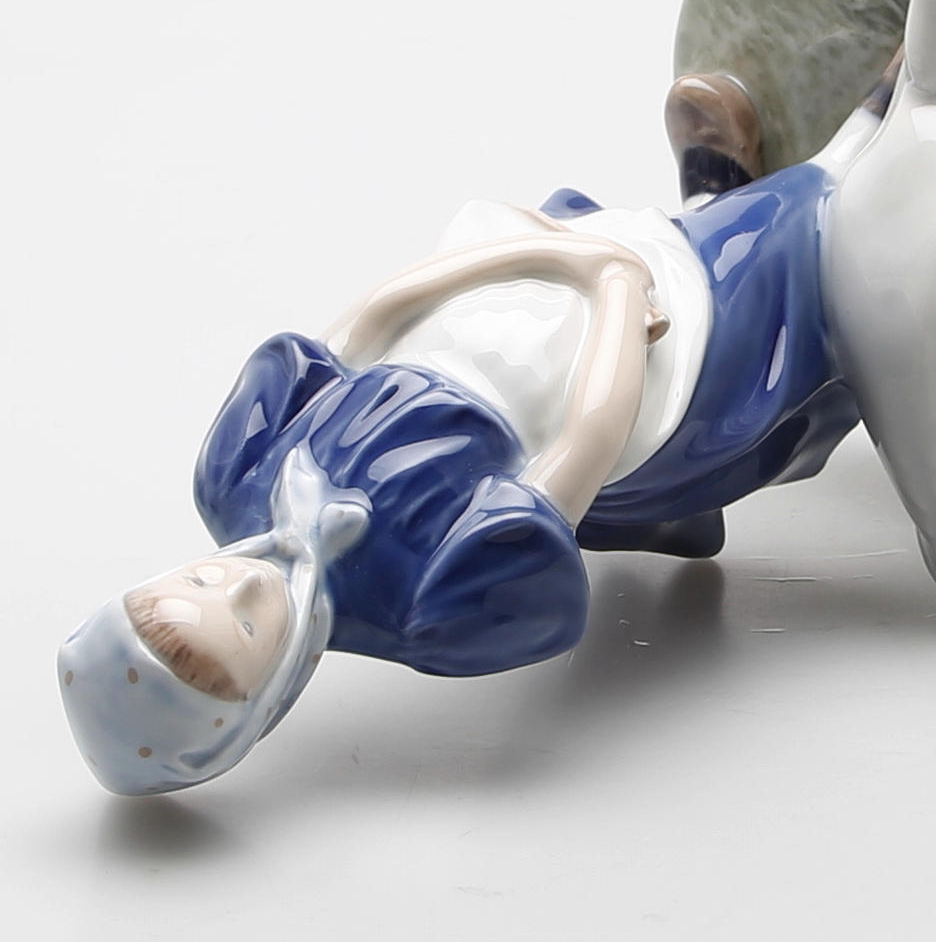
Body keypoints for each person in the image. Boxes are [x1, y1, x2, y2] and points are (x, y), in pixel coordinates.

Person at [58, 70, 882, 795]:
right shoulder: (432, 606)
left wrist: (535, 256)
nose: (241, 585)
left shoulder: (236, 475)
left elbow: (365, 325)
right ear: (271, 695)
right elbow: (584, 446)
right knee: (744, 308)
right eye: (245, 628)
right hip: (587, 381)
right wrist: (613, 295)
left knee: (605, 232)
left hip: (478, 317)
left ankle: (714, 194)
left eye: (201, 581)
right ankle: (858, 141)